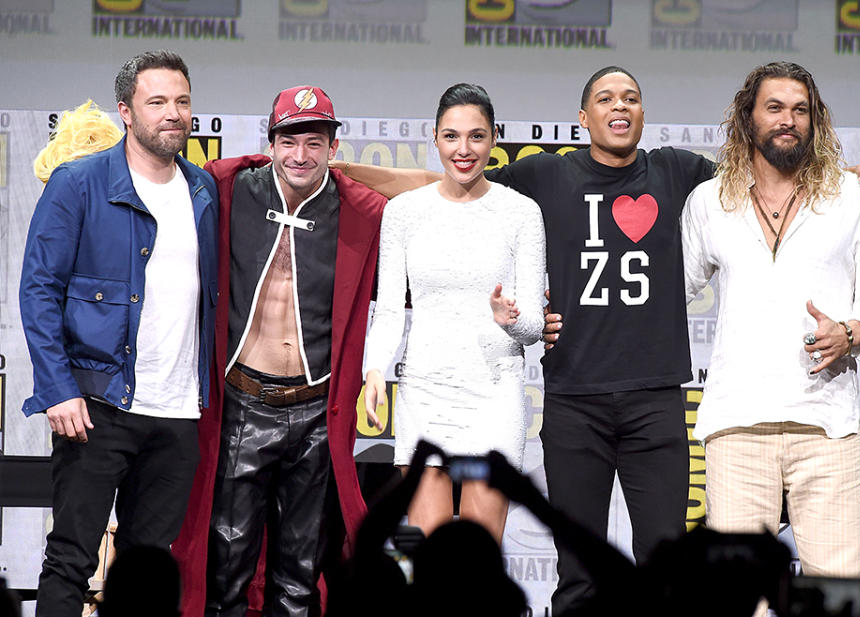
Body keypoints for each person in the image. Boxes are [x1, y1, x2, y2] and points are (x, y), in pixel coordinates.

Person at [333, 66, 860, 614]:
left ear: (644, 114)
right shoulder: (544, 177)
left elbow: (774, 166)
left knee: (665, 565)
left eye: (631, 97)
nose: (619, 106)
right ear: (583, 117)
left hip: (656, 401)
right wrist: (344, 171)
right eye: (604, 98)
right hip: (575, 399)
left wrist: (848, 178)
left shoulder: (678, 173)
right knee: (576, 569)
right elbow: (443, 185)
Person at [681, 61, 860, 579]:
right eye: (775, 108)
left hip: (827, 425)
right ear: (747, 118)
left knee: (838, 590)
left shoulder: (855, 196)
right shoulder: (710, 202)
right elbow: (670, 291)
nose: (789, 120)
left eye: (801, 110)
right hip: (737, 425)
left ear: (816, 120)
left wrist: (850, 332)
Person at [19, 50, 218, 617]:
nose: (172, 114)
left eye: (182, 101)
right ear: (126, 111)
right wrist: (57, 387)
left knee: (147, 569)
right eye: (157, 102)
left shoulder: (203, 191)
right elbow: (39, 291)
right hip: (98, 406)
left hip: (178, 413)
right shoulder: (78, 183)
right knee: (71, 560)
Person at [177, 85, 386, 617]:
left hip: (316, 412)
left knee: (297, 579)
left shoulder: (362, 209)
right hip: (242, 403)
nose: (300, 155)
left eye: (314, 142)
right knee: (226, 569)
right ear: (270, 142)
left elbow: (441, 197)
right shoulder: (227, 187)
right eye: (289, 140)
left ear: (333, 147)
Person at [362, 83, 545, 543]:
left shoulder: (521, 213)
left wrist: (511, 319)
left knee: (482, 566)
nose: (463, 150)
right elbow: (387, 310)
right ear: (435, 138)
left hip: (495, 392)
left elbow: (534, 328)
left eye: (476, 136)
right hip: (425, 391)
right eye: (451, 136)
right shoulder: (403, 212)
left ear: (495, 138)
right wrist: (374, 370)